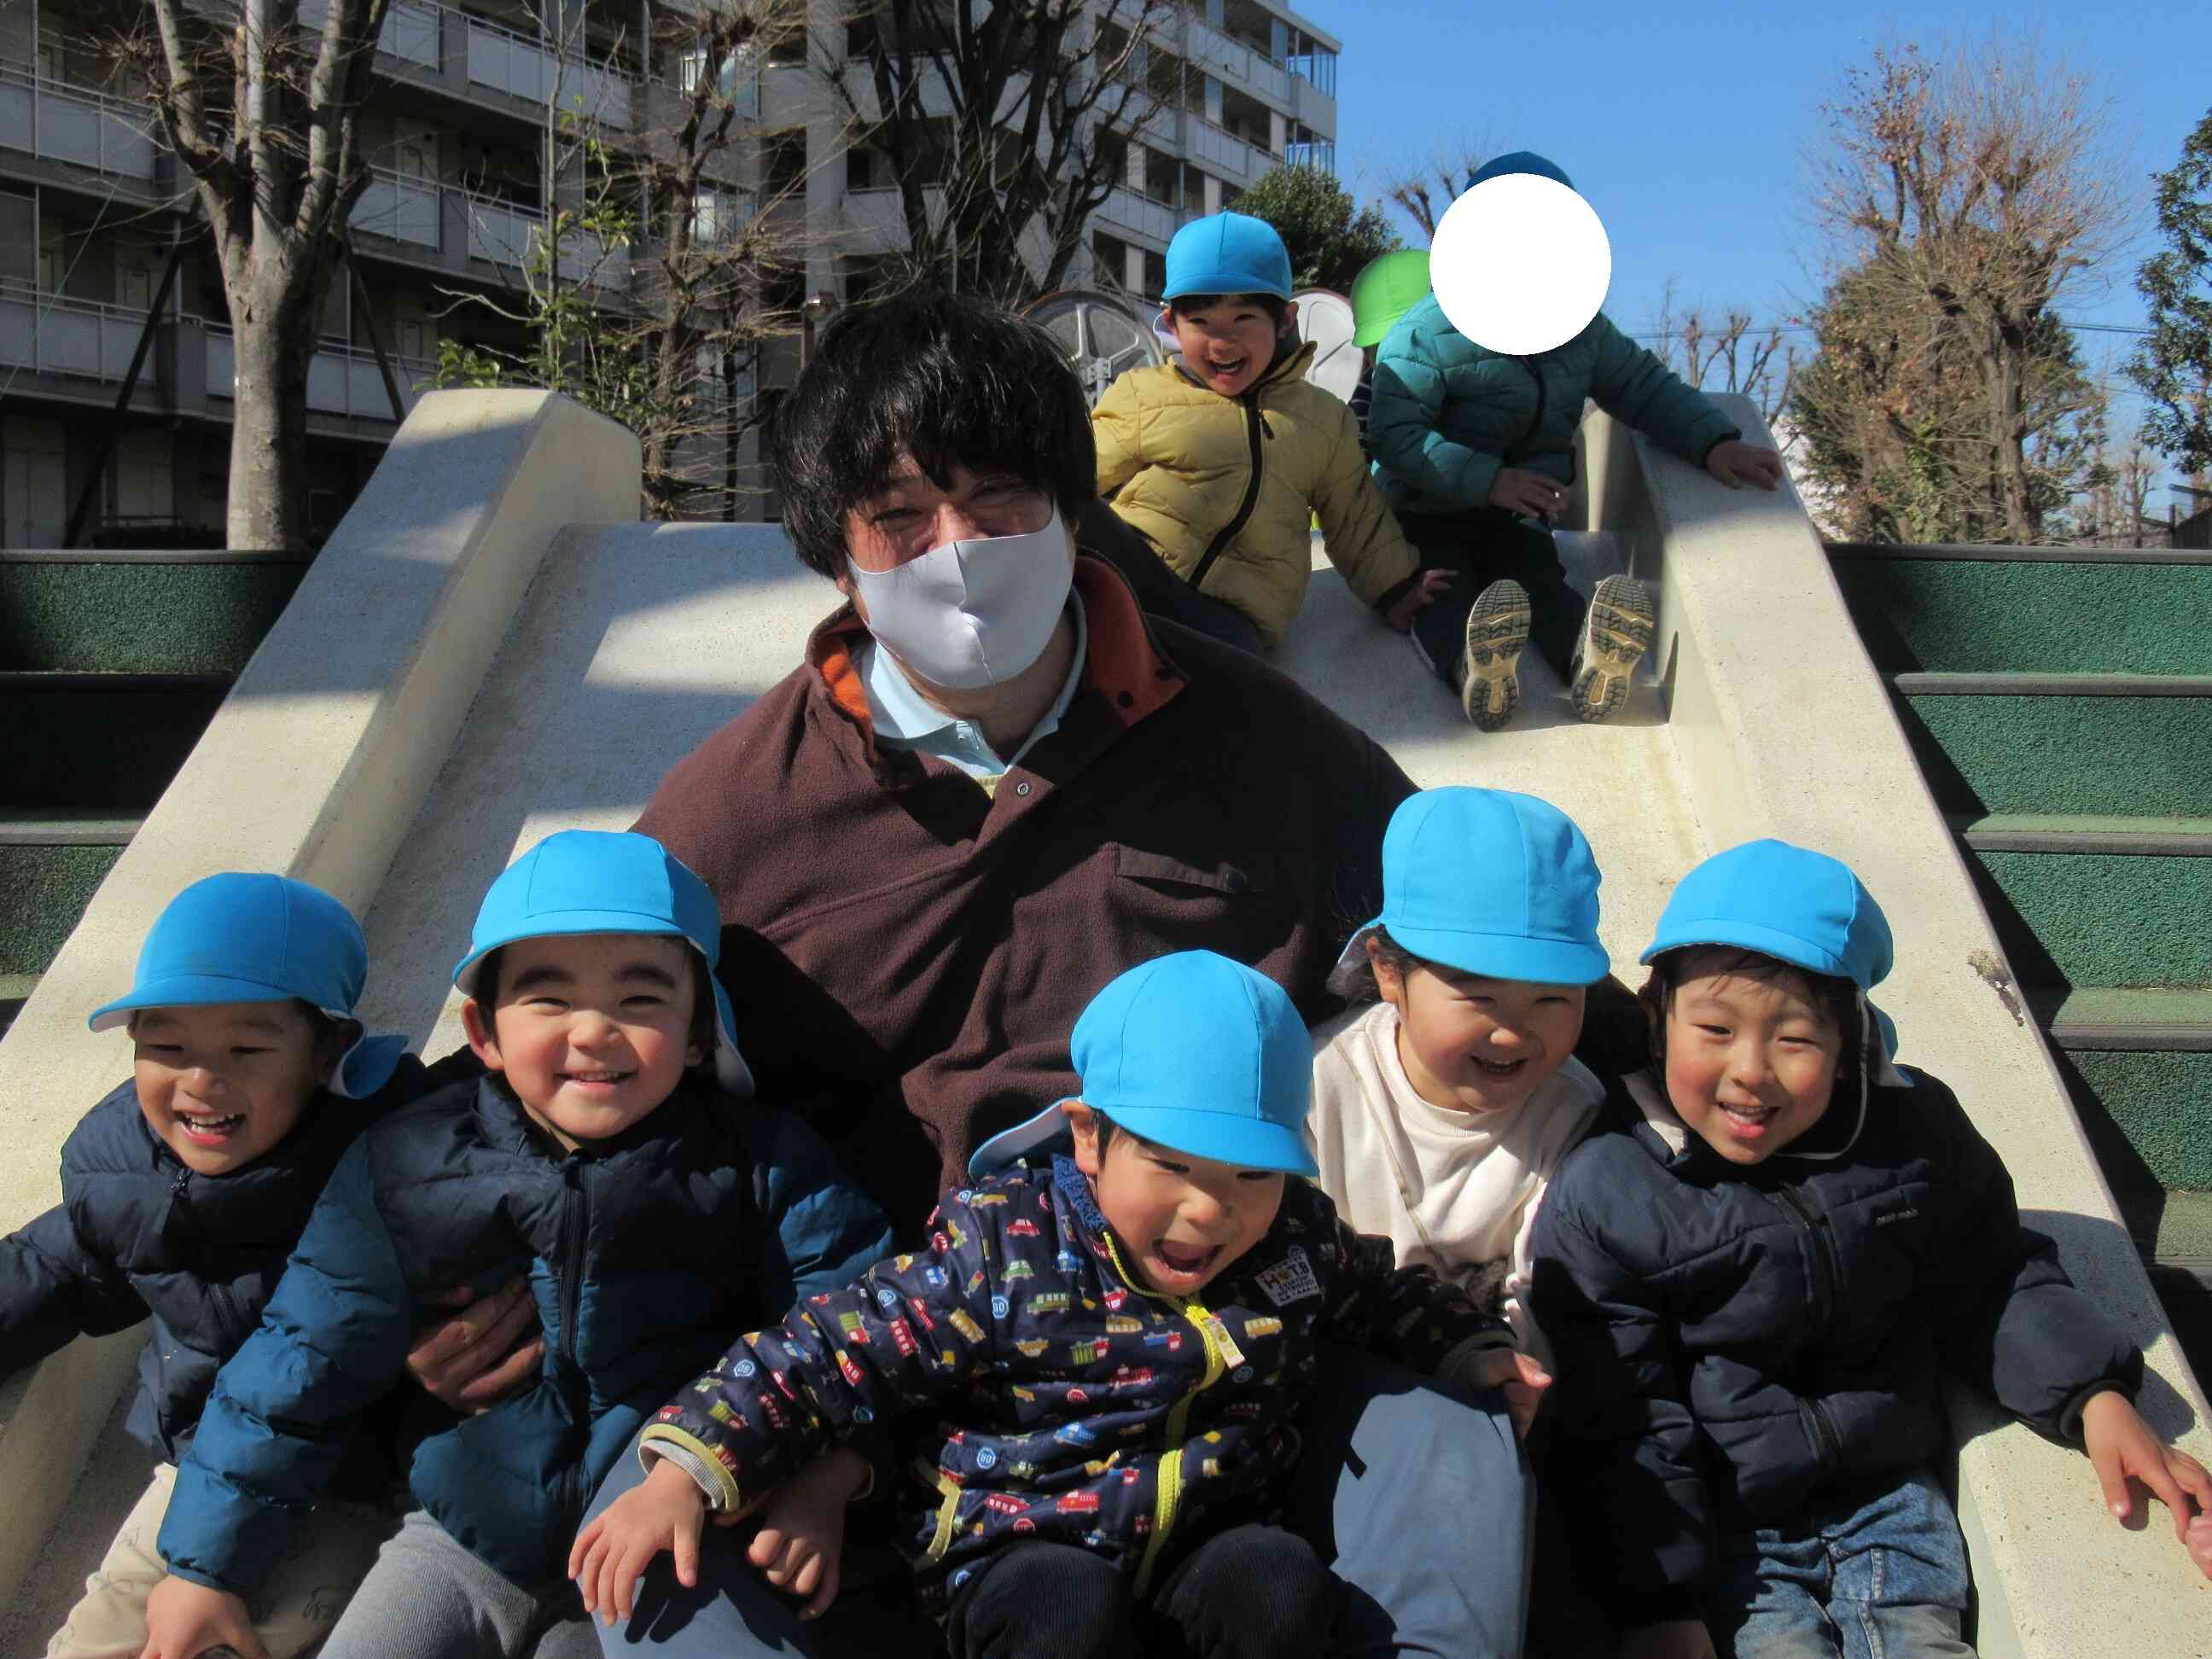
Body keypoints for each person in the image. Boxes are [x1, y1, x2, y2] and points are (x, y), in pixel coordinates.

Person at [510, 288, 1540, 1657]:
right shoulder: (737, 811)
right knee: (656, 1613)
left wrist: (1696, 1046)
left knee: (1456, 1450)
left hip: (1222, 1348)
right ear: (837, 557)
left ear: (1070, 505)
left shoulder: (1261, 739)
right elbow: (565, 1020)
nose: (957, 551)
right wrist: (462, 1265)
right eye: (900, 519)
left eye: (998, 502)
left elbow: (1473, 931)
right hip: (882, 1361)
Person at [573, 952, 1531, 1658]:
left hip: (1207, 1538)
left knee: (1282, 1584)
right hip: (1018, 1550)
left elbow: (1379, 1289)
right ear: (1088, 1139)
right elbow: (829, 1351)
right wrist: (682, 1473)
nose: (1211, 1207)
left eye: (1252, 1173)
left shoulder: (1294, 1243)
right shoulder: (1004, 1252)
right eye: (1170, 1163)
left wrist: (1464, 1348)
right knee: (1065, 1610)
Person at [136, 831, 893, 1659]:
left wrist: (827, 1475)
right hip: (466, 1529)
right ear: (484, 1032)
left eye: (640, 1000)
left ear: (701, 1032)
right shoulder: (408, 1160)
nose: (594, 1031)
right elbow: (302, 1354)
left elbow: (866, 1323)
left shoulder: (764, 1162)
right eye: (548, 999)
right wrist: (203, 1570)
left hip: (672, 1514)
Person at [1528, 840, 2212, 1659]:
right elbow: (1622, 1415)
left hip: (1895, 1503)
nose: (1751, 1072)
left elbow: (1990, 1278)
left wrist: (2093, 1398)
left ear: (1851, 1039)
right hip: (1728, 1532)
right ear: (1655, 1016)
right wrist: (1660, 1607)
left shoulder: (1914, 1135)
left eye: (1795, 1039)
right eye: (1713, 1028)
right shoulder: (1611, 1186)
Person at [0, 874, 423, 1659]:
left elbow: (307, 1374)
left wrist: (208, 1569)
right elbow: (54, 1269)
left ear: (329, 1051)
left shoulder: (383, 1174)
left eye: (247, 1047)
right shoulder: (131, 1171)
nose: (201, 1079)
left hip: (349, 1485)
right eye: (168, 1047)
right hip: (195, 1470)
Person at [1367, 152, 1785, 731]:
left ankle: (1586, 662)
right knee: (1438, 586)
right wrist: (1491, 480)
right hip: (1425, 508)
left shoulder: (1580, 332)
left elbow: (1642, 387)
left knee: (1539, 578)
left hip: (1518, 515)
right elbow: (1395, 434)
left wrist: (1713, 441)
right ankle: (1472, 671)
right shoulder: (1425, 334)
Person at [1307, 788, 1609, 1390]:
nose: (1513, 1032)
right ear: (1389, 971)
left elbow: (1540, 1296)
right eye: (1479, 995)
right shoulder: (1316, 1086)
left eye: (1553, 997)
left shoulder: (1574, 1111)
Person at [1087, 211, 1450, 654]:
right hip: (1138, 578)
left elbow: (1355, 515)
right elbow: (1078, 468)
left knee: (1222, 672)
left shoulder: (1321, 421)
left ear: (1283, 321)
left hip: (1234, 613)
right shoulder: (1143, 395)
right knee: (1076, 515)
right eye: (1201, 323)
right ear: (1172, 323)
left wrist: (1398, 588)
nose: (1222, 343)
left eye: (1243, 318)